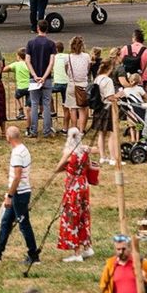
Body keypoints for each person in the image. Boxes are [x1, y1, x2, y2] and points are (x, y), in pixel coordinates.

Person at [0, 126, 40, 265]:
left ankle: (33, 254)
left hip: (19, 194)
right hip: (21, 192)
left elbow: (17, 177)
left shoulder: (17, 153)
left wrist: (10, 196)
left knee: (24, 225)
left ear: (9, 137)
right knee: (6, 222)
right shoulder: (23, 149)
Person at [55, 128, 94, 263]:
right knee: (84, 215)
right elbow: (88, 166)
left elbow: (57, 168)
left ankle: (77, 252)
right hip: (84, 185)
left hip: (73, 187)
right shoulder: (84, 151)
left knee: (73, 217)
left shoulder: (69, 152)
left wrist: (66, 165)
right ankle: (87, 246)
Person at [25, 20, 56, 138]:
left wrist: (34, 75)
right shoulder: (51, 44)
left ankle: (33, 130)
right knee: (46, 104)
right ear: (47, 29)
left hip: (34, 79)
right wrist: (44, 77)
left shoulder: (31, 43)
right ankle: (47, 130)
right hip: (46, 78)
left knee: (34, 104)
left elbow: (27, 61)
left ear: (38, 28)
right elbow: (51, 62)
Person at [89, 57, 117, 163]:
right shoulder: (108, 80)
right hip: (107, 107)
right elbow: (110, 97)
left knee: (101, 133)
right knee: (111, 134)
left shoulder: (97, 78)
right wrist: (118, 95)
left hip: (98, 107)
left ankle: (102, 156)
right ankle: (112, 157)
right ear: (110, 68)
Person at [64, 37, 91, 132]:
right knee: (82, 109)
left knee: (73, 109)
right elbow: (88, 69)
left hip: (72, 84)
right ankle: (81, 130)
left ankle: (74, 128)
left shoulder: (68, 57)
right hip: (83, 84)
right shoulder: (87, 56)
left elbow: (66, 70)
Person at [5, 49, 31, 127]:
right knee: (29, 106)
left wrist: (12, 70)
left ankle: (20, 110)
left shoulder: (16, 64)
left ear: (19, 57)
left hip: (21, 87)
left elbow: (5, 69)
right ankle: (29, 125)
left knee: (16, 96)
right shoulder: (29, 64)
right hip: (30, 87)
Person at [52, 40, 69, 128]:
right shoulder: (68, 56)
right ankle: (65, 128)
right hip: (67, 83)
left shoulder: (53, 57)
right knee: (66, 107)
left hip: (58, 83)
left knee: (46, 92)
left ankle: (52, 110)